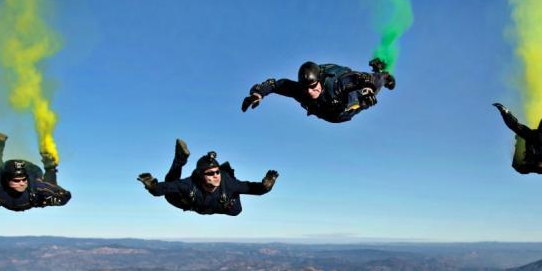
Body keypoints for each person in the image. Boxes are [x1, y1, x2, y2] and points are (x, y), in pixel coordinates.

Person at [137, 139, 278, 216]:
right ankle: (180, 160)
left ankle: (226, 179)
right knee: (170, 192)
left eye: (217, 172)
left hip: (227, 206)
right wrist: (152, 186)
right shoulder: (190, 184)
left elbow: (254, 189)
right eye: (210, 173)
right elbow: (162, 189)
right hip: (193, 204)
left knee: (236, 211)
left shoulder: (228, 183)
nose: (216, 176)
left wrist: (266, 186)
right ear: (200, 175)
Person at [241, 58, 396, 123]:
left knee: (365, 98)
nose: (309, 92)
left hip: (345, 106)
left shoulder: (336, 83)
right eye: (305, 87)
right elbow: (276, 85)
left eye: (313, 87)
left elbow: (361, 79)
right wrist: (258, 93)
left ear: (320, 81)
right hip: (327, 112)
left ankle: (383, 71)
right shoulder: (300, 91)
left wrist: (373, 85)